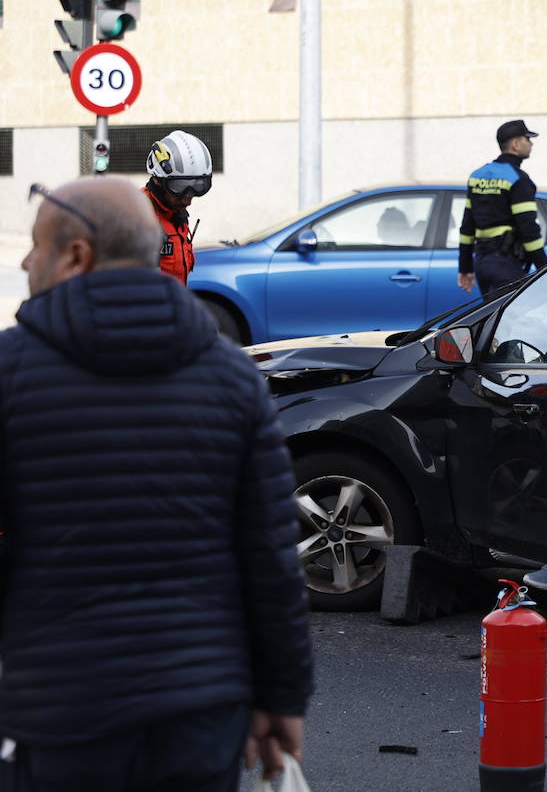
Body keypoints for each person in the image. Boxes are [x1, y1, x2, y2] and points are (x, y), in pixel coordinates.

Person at [2, 178, 315, 789]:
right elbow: (271, 557)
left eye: (35, 247)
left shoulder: (12, 375)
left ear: (76, 255)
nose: (22, 261)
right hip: (200, 716)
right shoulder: (232, 377)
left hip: (60, 712)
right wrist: (281, 698)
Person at [458, 119, 547, 295]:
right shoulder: (518, 179)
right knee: (509, 321)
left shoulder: (477, 176)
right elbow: (528, 229)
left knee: (492, 320)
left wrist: (465, 268)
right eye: (527, 139)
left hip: (482, 264)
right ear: (515, 144)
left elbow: (467, 228)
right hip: (506, 266)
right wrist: (545, 268)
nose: (531, 144)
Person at [144, 129, 214, 284]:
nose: (187, 200)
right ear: (157, 180)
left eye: (196, 187)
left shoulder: (177, 217)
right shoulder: (133, 215)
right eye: (179, 187)